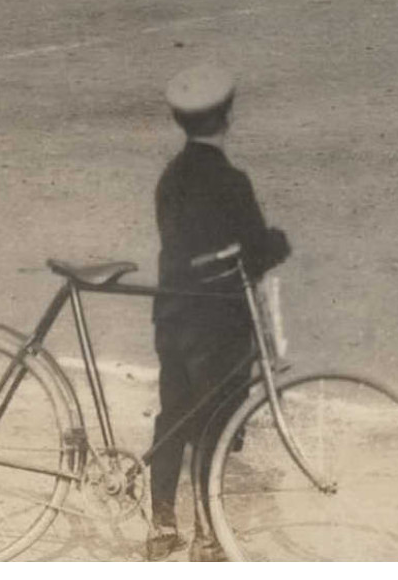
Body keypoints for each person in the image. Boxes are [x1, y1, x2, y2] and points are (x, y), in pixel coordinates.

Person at [144, 64, 291, 561]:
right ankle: (207, 534)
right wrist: (277, 244)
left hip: (173, 314)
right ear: (227, 116)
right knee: (216, 419)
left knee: (174, 411)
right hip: (218, 321)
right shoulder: (231, 181)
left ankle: (161, 521)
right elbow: (254, 248)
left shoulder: (170, 178)